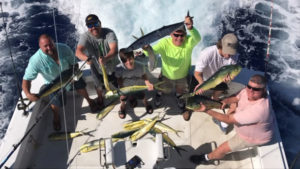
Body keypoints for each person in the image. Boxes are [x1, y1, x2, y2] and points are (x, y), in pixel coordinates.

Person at [189, 74, 274, 164]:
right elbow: (237, 97)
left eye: (256, 89)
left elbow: (229, 119)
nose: (251, 91)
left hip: (251, 137)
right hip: (245, 122)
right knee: (234, 105)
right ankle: (223, 124)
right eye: (249, 87)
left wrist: (206, 110)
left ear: (264, 90)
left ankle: (207, 158)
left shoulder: (260, 109)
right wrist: (226, 101)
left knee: (222, 149)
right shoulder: (246, 91)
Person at [22, 34, 97, 131]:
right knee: (56, 102)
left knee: (81, 86)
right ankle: (56, 116)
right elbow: (26, 79)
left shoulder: (64, 48)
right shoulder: (35, 60)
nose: (49, 48)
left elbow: (74, 65)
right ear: (40, 47)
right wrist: (28, 94)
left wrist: (73, 77)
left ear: (53, 42)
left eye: (50, 44)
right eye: (45, 46)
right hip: (53, 85)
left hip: (70, 77)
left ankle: (90, 101)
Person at [143, 15, 201, 121]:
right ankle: (159, 95)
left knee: (181, 91)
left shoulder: (189, 41)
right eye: (176, 35)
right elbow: (151, 52)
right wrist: (145, 48)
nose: (179, 38)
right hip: (166, 76)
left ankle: (179, 100)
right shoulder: (164, 43)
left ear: (185, 35)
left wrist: (190, 28)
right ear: (170, 34)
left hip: (182, 76)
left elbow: (198, 38)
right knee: (164, 90)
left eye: (182, 35)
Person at [76, 14, 118, 110]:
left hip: (111, 64)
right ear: (87, 27)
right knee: (98, 85)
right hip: (95, 66)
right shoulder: (85, 36)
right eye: (90, 25)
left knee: (117, 81)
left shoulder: (109, 33)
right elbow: (78, 52)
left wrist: (106, 58)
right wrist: (86, 58)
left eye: (95, 23)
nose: (93, 27)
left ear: (100, 23)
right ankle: (100, 97)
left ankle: (121, 94)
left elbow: (114, 50)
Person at [194, 33, 239, 100]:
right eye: (227, 51)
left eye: (231, 52)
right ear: (220, 46)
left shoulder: (234, 56)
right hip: (204, 80)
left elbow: (230, 75)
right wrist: (201, 83)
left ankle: (214, 98)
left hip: (219, 80)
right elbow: (197, 73)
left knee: (223, 86)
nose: (229, 54)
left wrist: (227, 80)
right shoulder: (207, 53)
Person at [115, 49, 154, 119]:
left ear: (133, 57)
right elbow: (119, 78)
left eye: (130, 59)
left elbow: (144, 75)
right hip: (125, 87)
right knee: (123, 97)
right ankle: (122, 106)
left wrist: (148, 83)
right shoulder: (119, 68)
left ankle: (146, 103)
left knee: (142, 95)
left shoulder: (140, 66)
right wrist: (121, 87)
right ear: (122, 61)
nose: (128, 62)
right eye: (125, 61)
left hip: (137, 86)